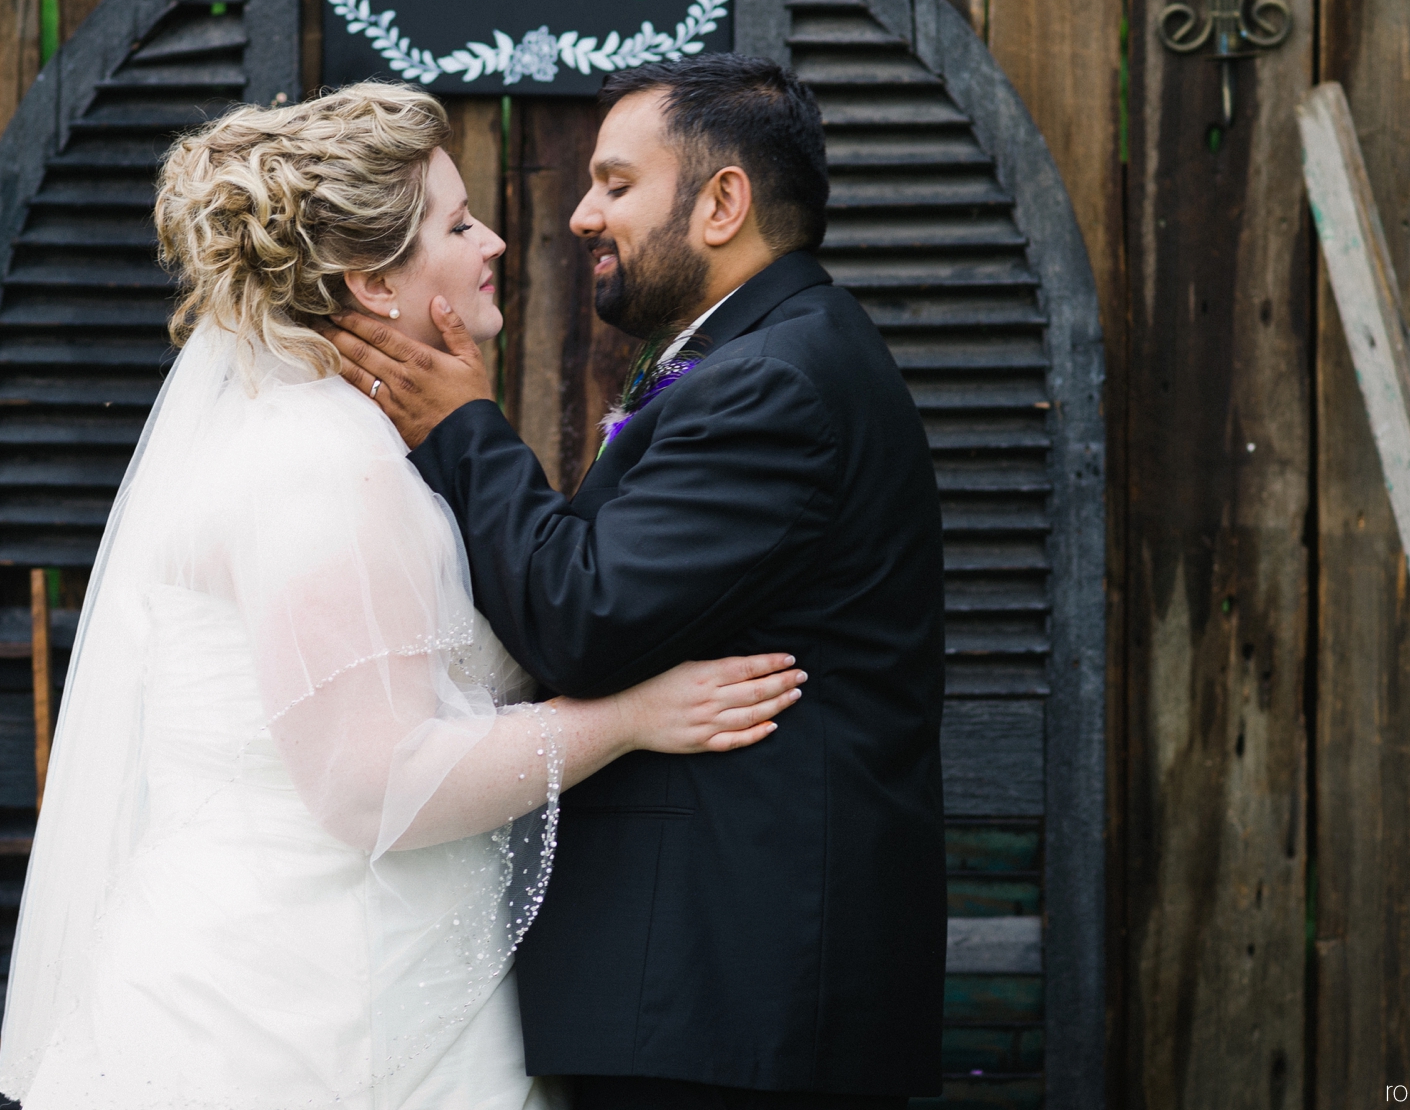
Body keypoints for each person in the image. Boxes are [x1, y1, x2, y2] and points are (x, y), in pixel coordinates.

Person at [0, 82, 810, 1110]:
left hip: (364, 968)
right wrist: (625, 719)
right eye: (458, 223)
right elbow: (371, 783)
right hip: (305, 1013)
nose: (497, 241)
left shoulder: (335, 438)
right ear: (373, 283)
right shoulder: (320, 465)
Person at [327, 54, 948, 1110]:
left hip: (731, 990)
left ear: (722, 201)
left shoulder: (775, 381)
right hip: (719, 990)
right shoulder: (757, 353)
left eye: (615, 182)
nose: (577, 214)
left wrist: (464, 428)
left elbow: (582, 616)